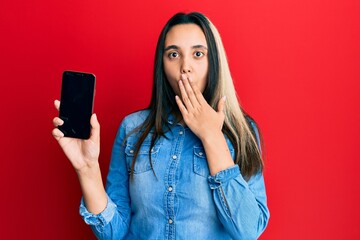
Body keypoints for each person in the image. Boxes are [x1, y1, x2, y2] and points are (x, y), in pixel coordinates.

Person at [52, 12, 270, 240]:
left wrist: (212, 137)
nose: (185, 67)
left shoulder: (241, 131)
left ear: (213, 61)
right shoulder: (132, 129)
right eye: (173, 54)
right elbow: (113, 233)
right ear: (162, 64)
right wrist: (87, 169)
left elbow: (249, 229)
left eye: (198, 54)